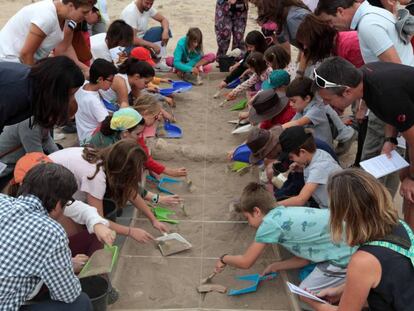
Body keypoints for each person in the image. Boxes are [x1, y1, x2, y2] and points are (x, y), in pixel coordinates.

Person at [313, 56, 414, 227]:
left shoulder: (386, 94)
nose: (325, 103)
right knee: (407, 186)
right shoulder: (364, 77)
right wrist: (390, 138)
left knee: (411, 189)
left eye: (328, 100)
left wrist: (412, 178)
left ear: (346, 91)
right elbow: (391, 112)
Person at [302, 168, 414, 310]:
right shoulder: (400, 225)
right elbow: (386, 276)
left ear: (344, 213)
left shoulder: (363, 260)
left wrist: (314, 303)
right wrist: (339, 290)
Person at [214, 182, 354, 292]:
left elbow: (246, 262)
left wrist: (223, 258)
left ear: (257, 211)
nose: (249, 224)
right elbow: (304, 258)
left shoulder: (269, 224)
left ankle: (351, 290)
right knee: (306, 276)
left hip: (346, 257)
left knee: (306, 293)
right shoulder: (281, 212)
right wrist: (276, 266)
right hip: (351, 240)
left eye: (247, 217)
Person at [0, 162, 93, 310]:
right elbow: (67, 295)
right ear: (57, 205)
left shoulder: (2, 201)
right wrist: (65, 268)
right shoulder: (51, 231)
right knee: (80, 303)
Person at [48, 139, 168, 244]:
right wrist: (130, 231)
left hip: (52, 181)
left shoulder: (103, 158)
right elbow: (98, 219)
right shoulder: (96, 175)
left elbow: (130, 192)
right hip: (44, 189)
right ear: (124, 169)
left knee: (84, 227)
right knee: (76, 237)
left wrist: (154, 220)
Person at [88, 103, 187, 178]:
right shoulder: (107, 147)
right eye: (138, 134)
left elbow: (144, 156)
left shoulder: (120, 127)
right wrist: (154, 198)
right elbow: (118, 181)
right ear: (125, 133)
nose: (140, 137)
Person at [0, 56, 84, 134]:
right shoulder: (17, 93)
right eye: (70, 94)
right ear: (56, 88)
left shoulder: (38, 88)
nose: (70, 99)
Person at [0, 0, 95, 65]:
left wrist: (83, 68)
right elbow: (25, 55)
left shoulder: (66, 17)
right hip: (9, 60)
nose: (86, 16)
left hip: (23, 62)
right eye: (84, 12)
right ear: (70, 5)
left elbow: (65, 48)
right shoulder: (47, 17)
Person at [277, 126, 342, 209]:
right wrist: (302, 169)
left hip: (337, 209)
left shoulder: (318, 168)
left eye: (291, 157)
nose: (291, 160)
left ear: (302, 152)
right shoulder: (319, 153)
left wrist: (275, 205)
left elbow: (301, 199)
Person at [0, 119, 59, 191]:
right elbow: (37, 158)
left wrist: (60, 155)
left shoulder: (39, 118)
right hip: (7, 166)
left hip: (16, 162)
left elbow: (46, 140)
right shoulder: (29, 123)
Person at [295, 14, 364, 69]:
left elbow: (362, 76)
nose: (305, 47)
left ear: (318, 39)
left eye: (306, 43)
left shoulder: (349, 44)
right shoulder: (335, 47)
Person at [120, 0, 171, 71]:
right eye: (147, 3)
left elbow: (163, 19)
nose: (149, 6)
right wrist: (151, 45)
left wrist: (165, 32)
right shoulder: (131, 12)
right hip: (128, 44)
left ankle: (157, 61)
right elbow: (133, 39)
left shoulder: (147, 7)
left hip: (142, 39)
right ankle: (148, 62)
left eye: (151, 4)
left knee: (164, 31)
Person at [75, 58, 117, 144]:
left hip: (83, 135)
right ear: (100, 79)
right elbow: (107, 124)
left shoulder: (82, 86)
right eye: (110, 80)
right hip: (92, 140)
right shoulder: (93, 101)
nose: (112, 84)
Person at [283, 77, 334, 147]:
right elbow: (292, 122)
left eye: (293, 101)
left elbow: (298, 122)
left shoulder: (316, 109)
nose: (290, 104)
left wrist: (278, 129)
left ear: (307, 98)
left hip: (323, 149)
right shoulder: (302, 108)